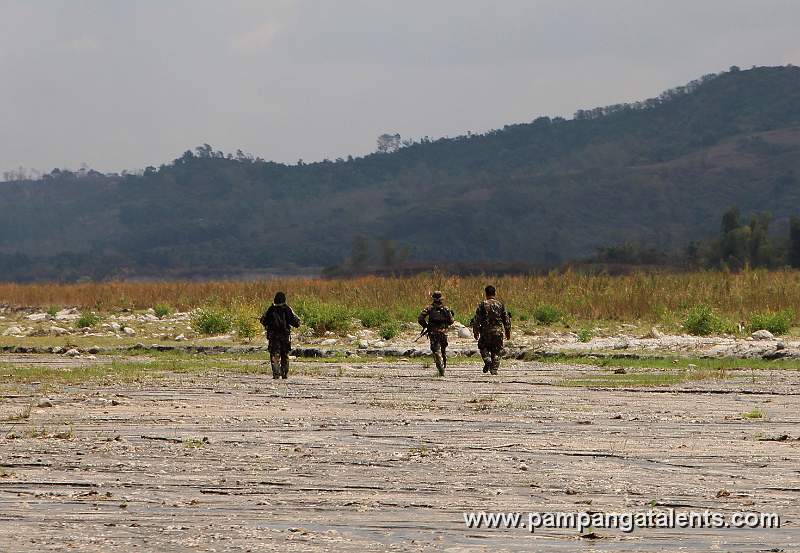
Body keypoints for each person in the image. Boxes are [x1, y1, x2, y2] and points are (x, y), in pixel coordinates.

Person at [259, 291, 301, 379]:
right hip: (285, 337)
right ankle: (284, 374)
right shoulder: (287, 309)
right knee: (285, 355)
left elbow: (263, 320)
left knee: (275, 355)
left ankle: (276, 374)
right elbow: (296, 322)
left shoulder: (271, 309)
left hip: (273, 337)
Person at [471, 285, 511, 375]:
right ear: (495, 293)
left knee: (483, 347)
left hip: (485, 331)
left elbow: (477, 319)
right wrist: (508, 331)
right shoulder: (500, 305)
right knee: (497, 350)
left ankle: (487, 360)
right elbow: (506, 319)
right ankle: (494, 369)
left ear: (486, 294)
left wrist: (475, 331)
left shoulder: (482, 305)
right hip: (498, 331)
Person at [417, 290, 455, 376]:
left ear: (433, 298)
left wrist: (426, 326)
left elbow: (420, 318)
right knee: (443, 349)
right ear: (441, 299)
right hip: (443, 332)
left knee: (436, 350)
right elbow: (451, 321)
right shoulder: (446, 308)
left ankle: (440, 366)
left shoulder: (429, 308)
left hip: (433, 332)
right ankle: (444, 362)